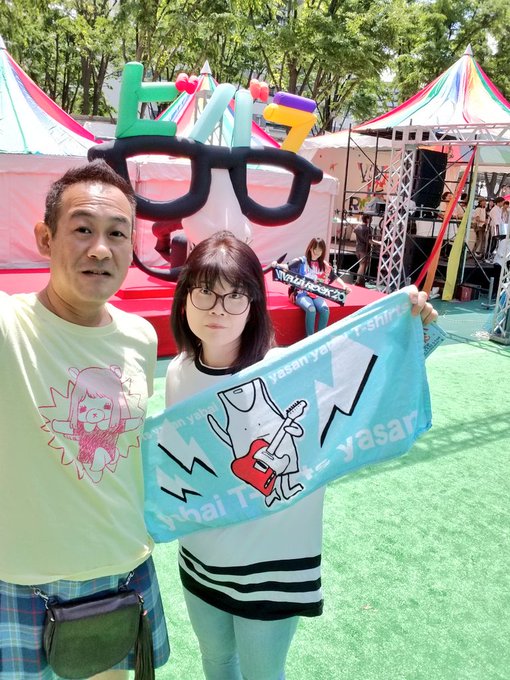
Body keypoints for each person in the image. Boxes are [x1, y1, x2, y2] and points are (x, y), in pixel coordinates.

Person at [165, 230, 437, 680]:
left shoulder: (287, 370)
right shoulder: (179, 371)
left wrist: (411, 326)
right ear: (184, 299)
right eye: (205, 292)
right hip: (199, 558)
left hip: (273, 564)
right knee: (216, 661)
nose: (218, 308)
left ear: (254, 303)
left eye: (235, 295)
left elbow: (372, 379)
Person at [0, 160, 170, 680]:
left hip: (121, 567)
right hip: (21, 577)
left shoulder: (140, 336)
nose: (100, 249)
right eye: (82, 230)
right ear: (45, 238)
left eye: (117, 234)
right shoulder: (10, 325)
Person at [285, 237, 349, 336]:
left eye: (320, 250)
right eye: (315, 249)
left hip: (317, 294)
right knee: (311, 309)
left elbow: (334, 277)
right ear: (310, 248)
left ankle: (320, 338)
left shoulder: (324, 265)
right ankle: (310, 338)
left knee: (325, 310)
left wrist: (344, 286)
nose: (317, 252)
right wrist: (276, 264)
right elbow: (287, 266)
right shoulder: (301, 261)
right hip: (301, 293)